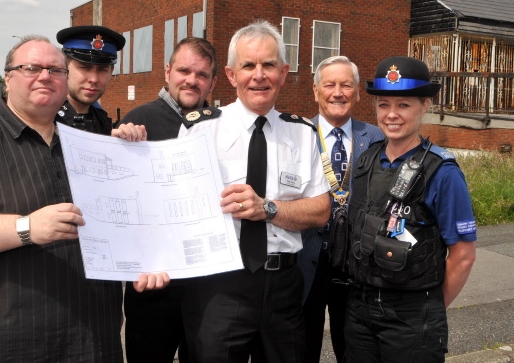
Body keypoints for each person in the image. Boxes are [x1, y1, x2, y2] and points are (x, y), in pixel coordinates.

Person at [0, 35, 168, 362]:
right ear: (7, 78)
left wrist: (143, 262)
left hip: (87, 343)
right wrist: (26, 228)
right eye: (31, 68)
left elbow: (121, 225)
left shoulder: (87, 147)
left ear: (65, 81)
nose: (45, 76)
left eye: (55, 70)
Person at [178, 20, 331, 363]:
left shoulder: (303, 132)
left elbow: (321, 210)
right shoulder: (200, 128)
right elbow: (175, 205)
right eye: (249, 65)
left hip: (283, 287)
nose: (259, 75)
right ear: (232, 75)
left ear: (284, 72)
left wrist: (269, 209)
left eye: (269, 65)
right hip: (219, 285)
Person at [340, 56, 477, 363]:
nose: (391, 115)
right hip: (360, 310)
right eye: (384, 105)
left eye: (403, 105)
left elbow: (464, 255)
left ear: (424, 106)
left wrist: (428, 308)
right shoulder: (365, 162)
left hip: (413, 315)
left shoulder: (442, 171)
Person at [120, 37, 217, 363]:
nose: (192, 80)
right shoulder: (135, 123)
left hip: (207, 286)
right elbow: (118, 203)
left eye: (202, 74)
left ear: (213, 82)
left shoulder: (223, 128)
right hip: (153, 287)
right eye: (184, 70)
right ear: (167, 72)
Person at [298, 56, 384, 362]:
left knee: (353, 348)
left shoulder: (375, 138)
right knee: (302, 346)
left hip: (354, 262)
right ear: (316, 90)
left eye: (346, 85)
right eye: (330, 85)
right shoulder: (295, 135)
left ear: (358, 92)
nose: (338, 92)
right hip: (306, 256)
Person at [55, 25, 126, 133]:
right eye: (85, 67)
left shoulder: (102, 120)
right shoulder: (46, 119)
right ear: (64, 67)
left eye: (102, 69)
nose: (94, 79)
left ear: (111, 72)